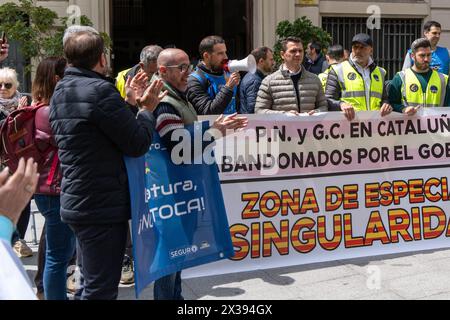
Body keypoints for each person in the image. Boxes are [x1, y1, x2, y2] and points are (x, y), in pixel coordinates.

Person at [49, 30, 166, 300]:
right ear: (101, 58)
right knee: (100, 289)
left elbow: (99, 132)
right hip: (100, 206)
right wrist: (147, 110)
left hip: (80, 199)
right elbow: (137, 143)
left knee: (89, 284)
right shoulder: (100, 91)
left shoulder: (62, 89)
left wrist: (127, 104)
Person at [153, 48, 247, 300]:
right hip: (172, 192)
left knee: (178, 253)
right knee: (170, 255)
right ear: (163, 72)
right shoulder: (165, 102)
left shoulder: (178, 97)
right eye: (181, 68)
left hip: (183, 187)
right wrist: (215, 130)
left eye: (189, 66)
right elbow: (176, 143)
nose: (189, 73)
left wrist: (216, 129)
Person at [31, 56, 77, 300]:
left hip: (46, 189)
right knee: (58, 255)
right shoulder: (51, 112)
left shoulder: (38, 108)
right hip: (55, 190)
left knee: (56, 252)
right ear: (56, 79)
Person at [0, 67, 31, 258]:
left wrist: (22, 113)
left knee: (23, 200)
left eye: (7, 85)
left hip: (18, 159)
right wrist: (17, 115)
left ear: (15, 87)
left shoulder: (23, 105)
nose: (2, 88)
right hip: (2, 162)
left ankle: (18, 238)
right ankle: (12, 239)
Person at [325, 33, 392, 121]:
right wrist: (341, 104)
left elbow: (384, 98)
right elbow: (328, 99)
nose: (357, 51)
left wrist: (386, 105)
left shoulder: (380, 72)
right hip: (349, 126)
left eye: (362, 47)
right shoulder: (338, 70)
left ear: (371, 50)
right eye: (355, 47)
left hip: (374, 126)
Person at [255, 36, 327, 115]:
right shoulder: (269, 82)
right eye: (293, 51)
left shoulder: (314, 79)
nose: (298, 54)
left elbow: (323, 107)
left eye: (300, 51)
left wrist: (317, 112)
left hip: (309, 126)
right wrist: (284, 115)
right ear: (282, 54)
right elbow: (259, 111)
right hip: (281, 127)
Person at [390, 38, 450, 115]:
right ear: (412, 56)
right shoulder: (400, 77)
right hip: (409, 126)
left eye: (429, 55)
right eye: (422, 55)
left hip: (435, 126)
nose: (426, 59)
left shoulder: (443, 79)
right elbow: (391, 104)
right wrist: (403, 109)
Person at [187, 35, 240, 115]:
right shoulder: (194, 80)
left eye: (225, 52)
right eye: (220, 53)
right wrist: (228, 87)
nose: (226, 57)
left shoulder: (227, 74)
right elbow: (208, 112)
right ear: (206, 56)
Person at [239, 47, 275, 114]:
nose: (273, 63)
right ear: (261, 61)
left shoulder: (254, 77)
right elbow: (253, 109)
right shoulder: (254, 81)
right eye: (271, 60)